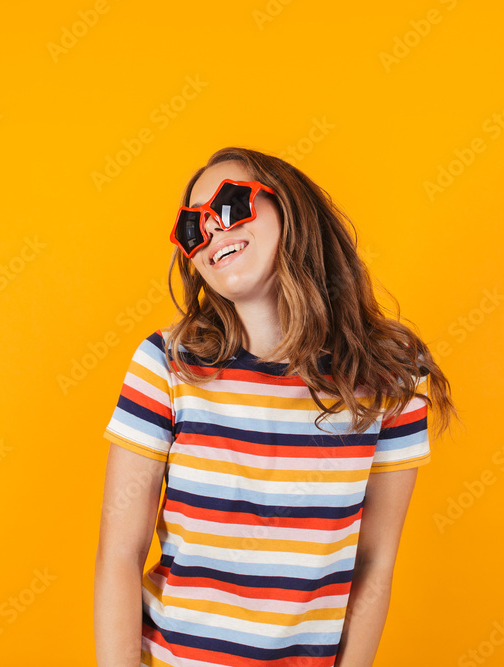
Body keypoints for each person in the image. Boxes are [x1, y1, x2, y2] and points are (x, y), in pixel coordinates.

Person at [94, 146, 460, 667]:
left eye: (228, 206)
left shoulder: (391, 378)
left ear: (290, 207)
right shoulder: (167, 364)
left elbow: (374, 563)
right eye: (192, 230)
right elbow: (119, 557)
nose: (211, 233)